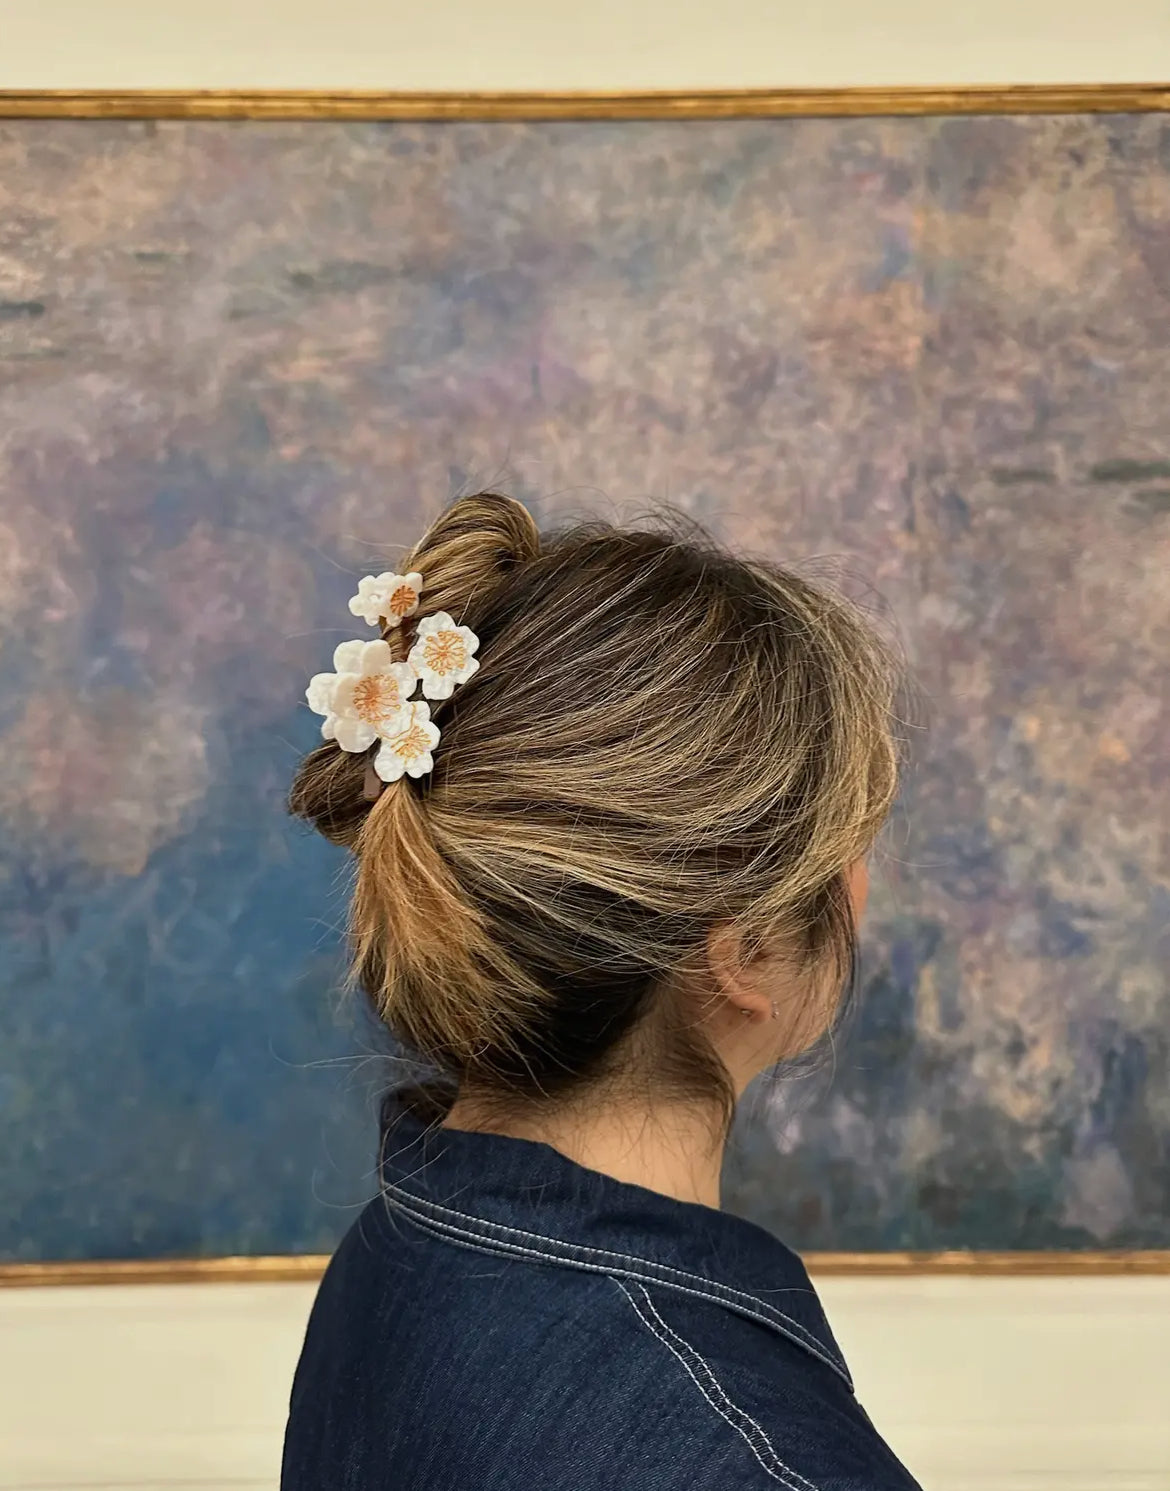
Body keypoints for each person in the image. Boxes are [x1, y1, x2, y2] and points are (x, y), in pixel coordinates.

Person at [281, 493, 919, 1490]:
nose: (863, 885)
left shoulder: (403, 1246)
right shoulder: (762, 1462)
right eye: (852, 844)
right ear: (748, 949)